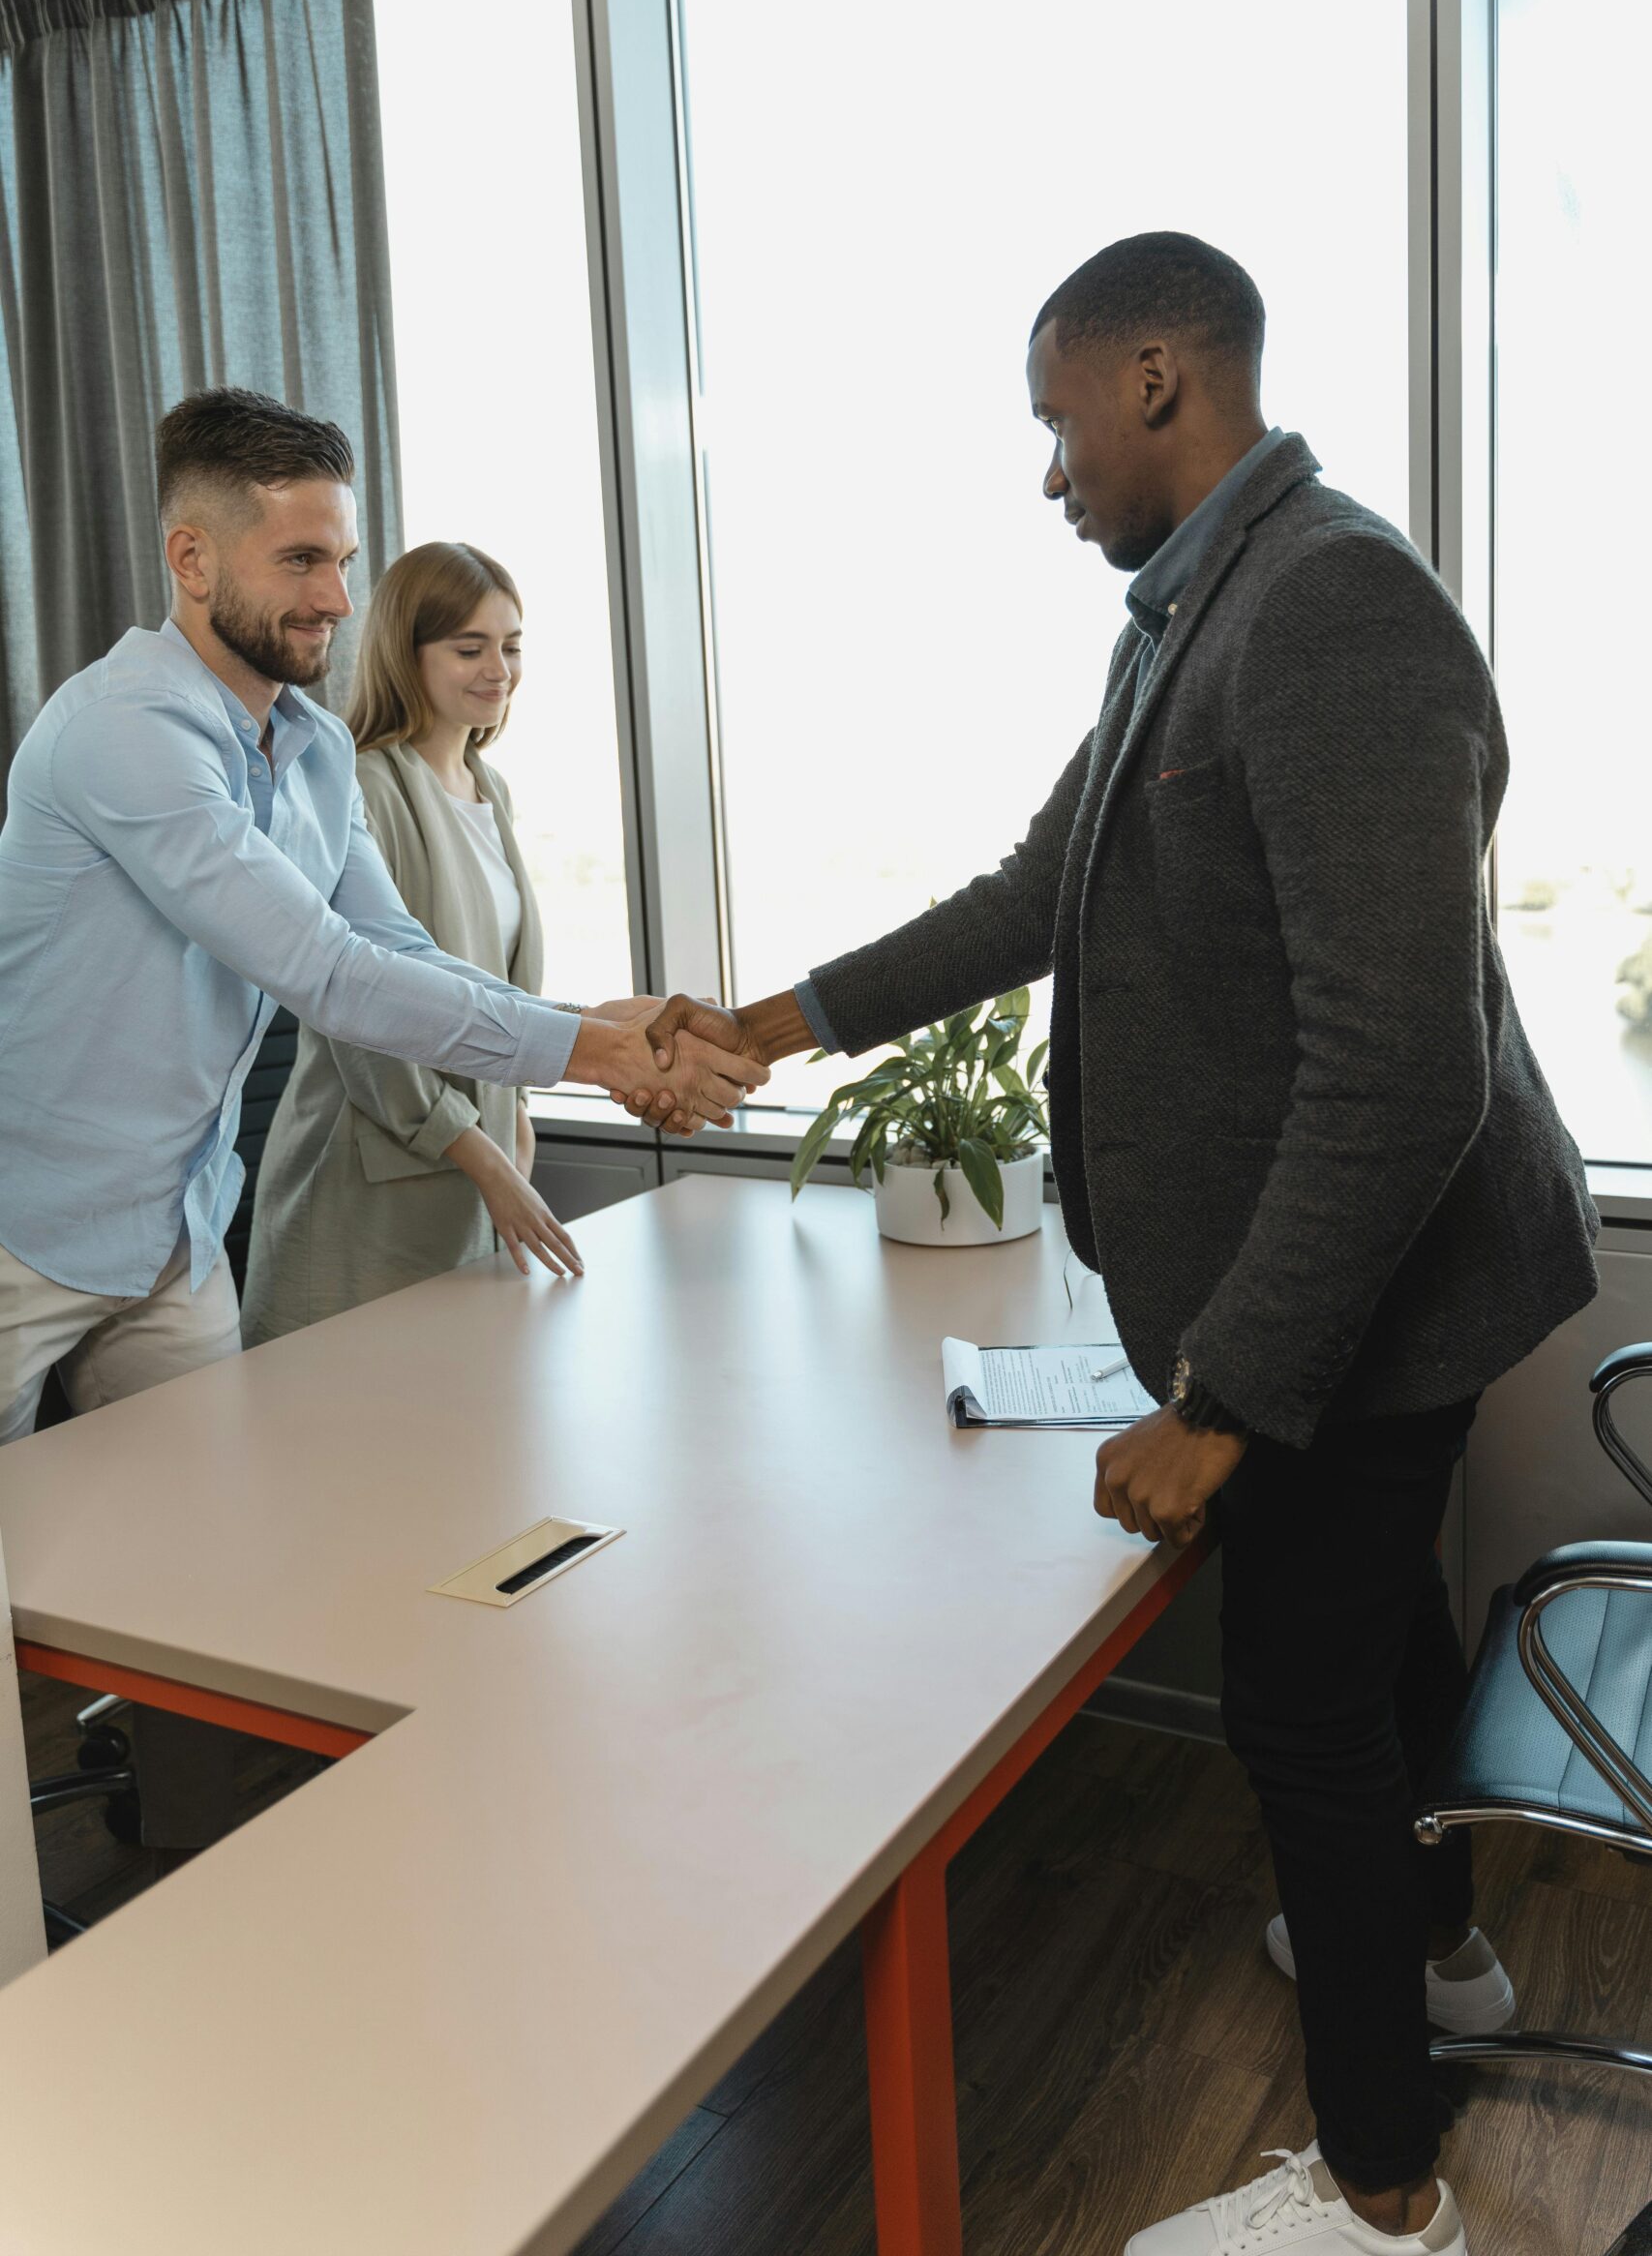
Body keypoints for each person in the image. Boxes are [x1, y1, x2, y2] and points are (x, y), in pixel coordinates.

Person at [623, 233, 1599, 2254]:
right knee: (1383, 1643)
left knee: (1302, 1710)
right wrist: (775, 1020)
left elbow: (1394, 1075)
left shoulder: (1326, 609)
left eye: (1057, 421)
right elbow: (1030, 890)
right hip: (1344, 1304)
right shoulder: (1192, 609)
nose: (1048, 470)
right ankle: (1434, 1959)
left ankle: (1376, 2186)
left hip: (1358, 1307)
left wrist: (1220, 1394)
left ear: (1158, 375)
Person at [0, 387, 766, 1841]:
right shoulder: (124, 737)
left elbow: (399, 948)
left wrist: (606, 1027)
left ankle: (196, 1861)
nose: (336, 599)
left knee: (204, 1571)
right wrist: (597, 1057)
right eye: (299, 563)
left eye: (342, 560)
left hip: (169, 1231)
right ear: (192, 559)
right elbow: (320, 971)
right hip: (17, 1228)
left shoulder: (298, 751)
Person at [242, 538, 619, 1342]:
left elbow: (487, 980)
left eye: (512, 646)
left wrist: (515, 1121)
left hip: (479, 1166)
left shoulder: (490, 789)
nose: (499, 669)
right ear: (406, 655)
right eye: (469, 647)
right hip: (370, 1180)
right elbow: (362, 1008)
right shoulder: (363, 786)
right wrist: (485, 1157)